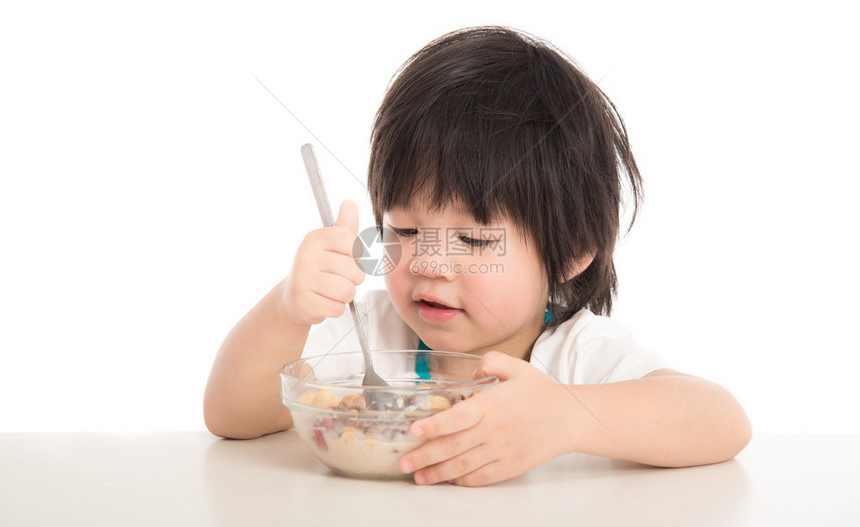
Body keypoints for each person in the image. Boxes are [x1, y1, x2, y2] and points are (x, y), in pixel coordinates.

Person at [204, 26, 751, 487]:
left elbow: (723, 422)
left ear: (574, 251)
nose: (429, 263)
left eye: (474, 241)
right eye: (407, 229)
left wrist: (568, 418)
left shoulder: (576, 356)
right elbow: (234, 418)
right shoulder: (374, 336)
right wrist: (287, 310)